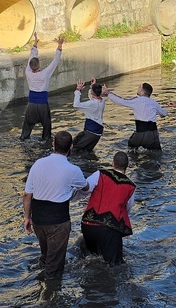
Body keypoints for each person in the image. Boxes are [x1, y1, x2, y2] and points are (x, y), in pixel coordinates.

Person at [23, 131, 90, 281]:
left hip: (38, 220)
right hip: (58, 222)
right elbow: (85, 188)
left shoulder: (38, 164)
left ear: (53, 144)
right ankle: (50, 295)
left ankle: (39, 281)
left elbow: (27, 195)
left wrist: (27, 217)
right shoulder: (73, 170)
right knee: (55, 266)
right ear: (71, 147)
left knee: (46, 257)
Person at [79, 151, 135, 266]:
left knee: (89, 259)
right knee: (114, 265)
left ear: (112, 163)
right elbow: (127, 209)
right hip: (109, 229)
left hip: (88, 223)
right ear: (128, 165)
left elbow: (85, 189)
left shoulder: (99, 174)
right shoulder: (130, 186)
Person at [20, 34, 64, 144]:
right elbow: (55, 62)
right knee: (47, 124)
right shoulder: (45, 74)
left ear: (30, 66)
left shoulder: (28, 72)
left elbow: (31, 56)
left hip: (31, 104)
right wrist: (59, 45)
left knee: (27, 124)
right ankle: (46, 141)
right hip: (43, 104)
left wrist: (35, 44)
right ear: (39, 65)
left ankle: (23, 139)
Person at [105, 83, 168, 150]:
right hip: (153, 135)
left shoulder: (137, 100)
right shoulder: (154, 103)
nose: (137, 89)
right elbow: (164, 113)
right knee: (156, 154)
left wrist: (107, 93)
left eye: (139, 88)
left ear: (142, 92)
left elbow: (122, 101)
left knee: (131, 150)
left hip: (141, 133)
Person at [71, 79, 105, 155]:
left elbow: (76, 105)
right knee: (86, 151)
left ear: (93, 92)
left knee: (74, 149)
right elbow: (93, 96)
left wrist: (78, 91)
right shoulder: (102, 100)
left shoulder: (91, 104)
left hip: (90, 132)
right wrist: (93, 87)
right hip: (97, 132)